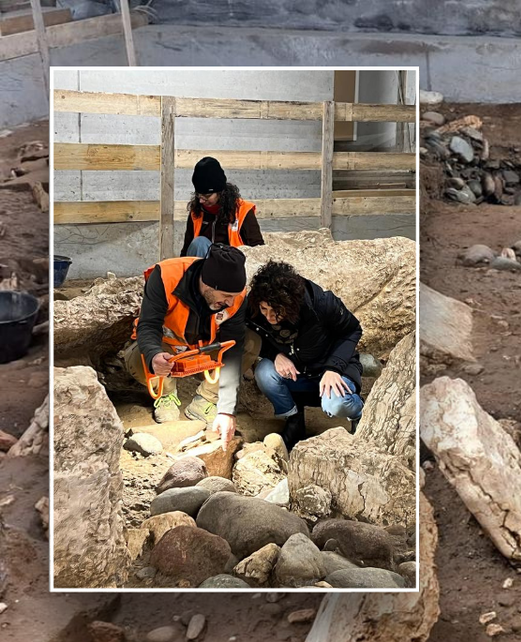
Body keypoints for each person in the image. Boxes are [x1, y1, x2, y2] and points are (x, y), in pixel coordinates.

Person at [121, 244, 250, 444]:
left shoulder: (236, 296)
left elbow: (233, 349)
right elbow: (148, 325)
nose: (231, 303)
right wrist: (154, 355)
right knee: (141, 359)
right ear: (209, 286)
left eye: (233, 296)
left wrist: (226, 408)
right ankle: (166, 395)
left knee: (250, 344)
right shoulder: (165, 276)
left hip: (204, 354)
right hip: (169, 351)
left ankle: (206, 400)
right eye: (226, 297)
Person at [247, 260, 365, 449]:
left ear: (290, 303)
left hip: (331, 369)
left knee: (336, 404)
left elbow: (352, 330)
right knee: (264, 373)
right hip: (297, 372)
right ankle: (293, 420)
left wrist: (333, 368)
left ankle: (359, 413)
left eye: (276, 311)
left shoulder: (322, 304)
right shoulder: (254, 306)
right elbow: (247, 332)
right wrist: (275, 354)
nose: (269, 317)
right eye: (264, 309)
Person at [182, 156, 265, 258]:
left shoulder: (243, 211)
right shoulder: (196, 213)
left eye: (207, 196)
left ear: (221, 192)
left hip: (231, 266)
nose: (201, 200)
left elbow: (258, 250)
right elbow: (186, 249)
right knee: (199, 243)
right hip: (203, 267)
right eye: (199, 195)